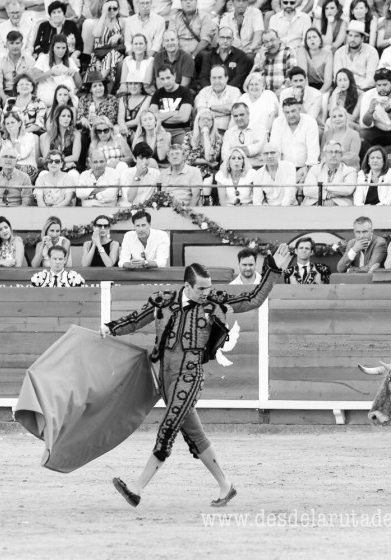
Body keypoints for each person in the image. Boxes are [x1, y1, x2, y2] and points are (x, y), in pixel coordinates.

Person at [105, 245, 292, 508]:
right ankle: (226, 485)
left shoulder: (214, 301)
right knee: (195, 435)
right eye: (201, 289)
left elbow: (253, 299)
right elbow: (136, 320)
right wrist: (110, 328)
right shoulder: (163, 300)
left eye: (209, 287)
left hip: (190, 375)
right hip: (166, 377)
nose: (207, 293)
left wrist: (272, 271)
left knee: (168, 427)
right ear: (187, 286)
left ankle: (137, 489)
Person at [270, 97, 320, 183]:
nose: (290, 115)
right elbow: (275, 149)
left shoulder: (310, 122)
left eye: (293, 111)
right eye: (287, 112)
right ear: (283, 112)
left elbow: (313, 151)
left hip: (305, 168)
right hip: (283, 169)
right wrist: (278, 173)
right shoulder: (277, 123)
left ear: (299, 109)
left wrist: (308, 170)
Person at [33, 34, 82, 107]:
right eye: (58, 48)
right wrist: (51, 72)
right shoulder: (43, 58)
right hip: (47, 95)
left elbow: (79, 84)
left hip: (65, 96)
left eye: (63, 48)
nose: (61, 51)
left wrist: (74, 72)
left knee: (73, 98)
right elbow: (34, 78)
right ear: (52, 47)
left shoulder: (69, 60)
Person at [301, 140, 357, 206]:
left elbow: (347, 190)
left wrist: (323, 186)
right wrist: (329, 194)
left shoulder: (350, 171)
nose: (333, 155)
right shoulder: (315, 169)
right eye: (330, 152)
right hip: (314, 204)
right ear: (325, 154)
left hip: (339, 206)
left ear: (341, 154)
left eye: (337, 152)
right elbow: (307, 190)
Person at [150, 66, 194, 147]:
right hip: (161, 130)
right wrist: (172, 113)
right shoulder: (158, 93)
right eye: (162, 79)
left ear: (174, 76)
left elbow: (184, 118)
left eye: (168, 77)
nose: (166, 82)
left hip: (180, 131)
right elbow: (152, 117)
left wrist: (160, 117)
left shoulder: (185, 92)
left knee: (185, 148)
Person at [198, 27, 253, 91]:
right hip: (211, 91)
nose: (225, 41)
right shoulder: (209, 56)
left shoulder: (241, 56)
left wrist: (225, 92)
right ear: (218, 39)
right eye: (222, 37)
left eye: (228, 38)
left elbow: (239, 78)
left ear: (232, 39)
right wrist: (211, 91)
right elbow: (204, 78)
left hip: (232, 92)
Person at [0, 31, 37, 104]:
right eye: (11, 43)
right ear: (6, 44)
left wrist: (23, 96)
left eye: (17, 43)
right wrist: (4, 97)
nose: (15, 46)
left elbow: (32, 82)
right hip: (6, 92)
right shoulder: (0, 62)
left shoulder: (30, 60)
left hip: (25, 91)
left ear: (22, 44)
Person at [333, 21, 379, 91]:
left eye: (356, 36)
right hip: (344, 88)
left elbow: (371, 79)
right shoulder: (339, 52)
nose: (352, 39)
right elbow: (337, 76)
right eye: (350, 35)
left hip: (364, 89)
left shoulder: (371, 52)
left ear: (362, 38)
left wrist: (356, 89)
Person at [195, 66, 241, 132]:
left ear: (226, 78)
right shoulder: (204, 92)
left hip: (228, 132)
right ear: (210, 79)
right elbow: (202, 114)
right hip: (208, 132)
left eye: (220, 77)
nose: (217, 81)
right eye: (214, 78)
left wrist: (211, 108)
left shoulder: (234, 91)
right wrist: (228, 112)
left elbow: (236, 110)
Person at [253, 29, 298, 95]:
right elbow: (254, 78)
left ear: (279, 39)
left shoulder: (288, 51)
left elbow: (292, 75)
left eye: (272, 40)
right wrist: (262, 60)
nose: (270, 44)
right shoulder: (260, 55)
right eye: (266, 42)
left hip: (284, 93)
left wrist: (282, 90)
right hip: (264, 95)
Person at [39, 104, 82, 174]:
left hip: (70, 168)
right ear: (57, 117)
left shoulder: (76, 134)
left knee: (73, 174)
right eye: (63, 116)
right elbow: (46, 158)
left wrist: (55, 161)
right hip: (53, 167)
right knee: (43, 173)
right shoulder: (49, 135)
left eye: (69, 116)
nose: (66, 118)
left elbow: (75, 157)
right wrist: (62, 163)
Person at [221, 103, 266, 169]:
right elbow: (224, 156)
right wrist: (245, 150)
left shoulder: (260, 129)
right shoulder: (229, 133)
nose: (239, 118)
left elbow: (255, 150)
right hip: (235, 169)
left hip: (256, 168)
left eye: (242, 115)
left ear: (248, 114)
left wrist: (233, 150)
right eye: (235, 116)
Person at [297, 27, 333, 93]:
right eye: (309, 38)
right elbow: (304, 76)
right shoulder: (302, 51)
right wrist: (308, 93)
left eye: (314, 37)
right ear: (306, 42)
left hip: (324, 88)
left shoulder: (327, 53)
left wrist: (318, 94)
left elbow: (328, 81)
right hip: (308, 86)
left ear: (320, 40)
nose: (312, 39)